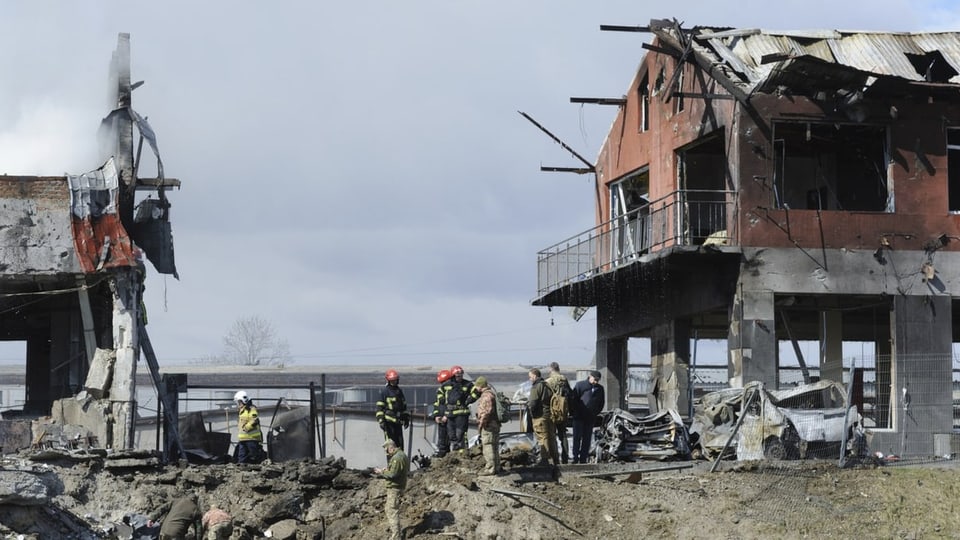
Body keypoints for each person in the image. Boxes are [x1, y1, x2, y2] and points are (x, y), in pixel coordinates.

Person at [373, 438, 409, 540]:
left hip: (395, 488)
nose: (386, 452)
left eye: (387, 450)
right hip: (398, 486)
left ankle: (396, 536)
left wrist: (381, 472)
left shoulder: (397, 458)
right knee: (390, 509)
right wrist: (387, 469)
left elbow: (393, 474)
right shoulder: (402, 455)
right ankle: (396, 533)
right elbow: (396, 471)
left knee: (392, 511)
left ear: (391, 447)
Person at [527, 368, 559, 467]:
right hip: (549, 415)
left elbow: (533, 403)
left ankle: (544, 460)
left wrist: (532, 414)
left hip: (539, 416)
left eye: (530, 377)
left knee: (542, 437)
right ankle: (556, 459)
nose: (529, 379)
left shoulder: (536, 387)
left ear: (534, 376)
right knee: (551, 437)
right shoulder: (547, 385)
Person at [571, 370, 605, 464]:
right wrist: (575, 411)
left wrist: (595, 412)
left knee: (587, 439)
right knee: (577, 438)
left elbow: (601, 403)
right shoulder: (580, 385)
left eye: (598, 380)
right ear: (590, 377)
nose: (596, 382)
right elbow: (573, 400)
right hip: (578, 417)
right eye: (595, 379)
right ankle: (575, 457)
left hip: (590, 418)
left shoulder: (600, 389)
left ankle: (583, 459)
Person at [473, 376, 502, 476]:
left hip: (488, 425)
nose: (476, 388)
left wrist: (481, 424)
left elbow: (486, 413)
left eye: (476, 386)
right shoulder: (491, 394)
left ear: (480, 386)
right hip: (495, 424)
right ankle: (497, 467)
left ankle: (490, 468)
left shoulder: (486, 396)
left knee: (488, 446)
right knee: (495, 446)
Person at [545, 361, 572, 464]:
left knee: (552, 436)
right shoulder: (564, 379)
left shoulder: (549, 381)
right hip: (563, 411)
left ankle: (555, 459)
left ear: (551, 369)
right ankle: (565, 458)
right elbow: (570, 394)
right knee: (563, 435)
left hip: (552, 411)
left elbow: (546, 397)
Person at [376, 369, 410, 451]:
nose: (394, 382)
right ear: (389, 380)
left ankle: (400, 463)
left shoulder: (399, 391)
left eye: (395, 380)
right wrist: (381, 421)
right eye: (392, 381)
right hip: (388, 424)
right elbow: (379, 408)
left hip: (398, 423)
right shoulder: (384, 392)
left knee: (400, 446)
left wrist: (406, 418)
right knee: (391, 447)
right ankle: (391, 463)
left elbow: (403, 406)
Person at [445, 365, 475, 453]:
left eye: (461, 375)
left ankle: (462, 452)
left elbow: (476, 392)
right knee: (451, 435)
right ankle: (454, 451)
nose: (460, 377)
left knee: (460, 434)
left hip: (462, 413)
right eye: (458, 376)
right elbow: (440, 397)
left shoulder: (468, 384)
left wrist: (469, 400)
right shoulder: (446, 385)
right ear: (453, 376)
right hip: (450, 414)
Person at [233, 390, 264, 464]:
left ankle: (257, 470)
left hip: (252, 438)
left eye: (239, 402)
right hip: (243, 439)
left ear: (244, 400)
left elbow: (255, 420)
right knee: (241, 456)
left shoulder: (251, 409)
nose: (238, 404)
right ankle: (242, 470)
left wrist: (247, 427)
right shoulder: (242, 411)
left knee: (254, 456)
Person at [430, 369, 453, 457]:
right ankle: (442, 454)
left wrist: (447, 415)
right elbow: (436, 404)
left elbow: (452, 405)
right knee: (442, 440)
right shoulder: (440, 391)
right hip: (441, 419)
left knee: (452, 439)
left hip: (451, 419)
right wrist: (436, 416)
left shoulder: (453, 391)